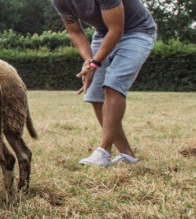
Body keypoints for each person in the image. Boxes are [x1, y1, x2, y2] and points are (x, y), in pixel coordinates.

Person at [53, 0, 157, 167]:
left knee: (113, 84)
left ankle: (104, 151)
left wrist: (96, 64)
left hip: (137, 32)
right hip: (103, 34)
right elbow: (75, 32)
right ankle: (127, 155)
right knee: (94, 95)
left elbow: (117, 29)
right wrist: (88, 61)